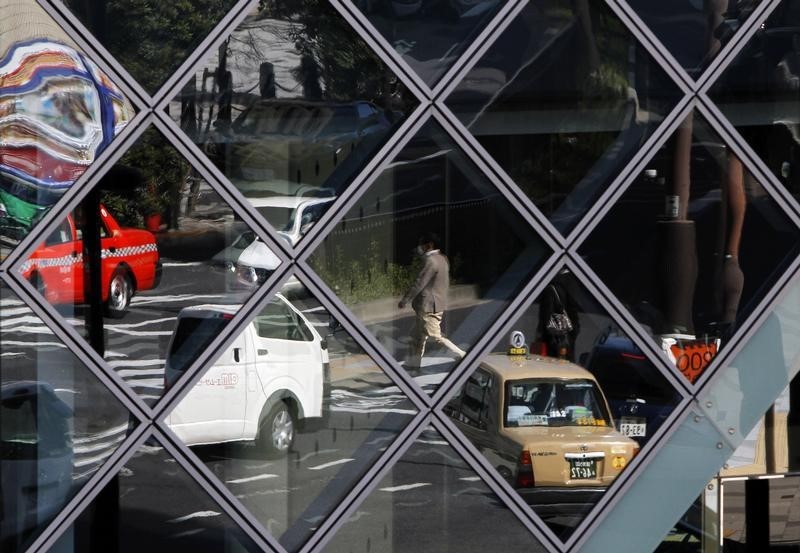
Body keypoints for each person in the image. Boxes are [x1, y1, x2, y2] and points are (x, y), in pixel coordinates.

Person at [398, 232, 466, 368]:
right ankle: (413, 364)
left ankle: (463, 356)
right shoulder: (443, 258)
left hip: (428, 306)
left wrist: (405, 300)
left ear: (429, 245)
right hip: (435, 304)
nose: (420, 248)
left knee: (435, 337)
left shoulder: (431, 261)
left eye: (422, 245)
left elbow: (419, 283)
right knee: (417, 337)